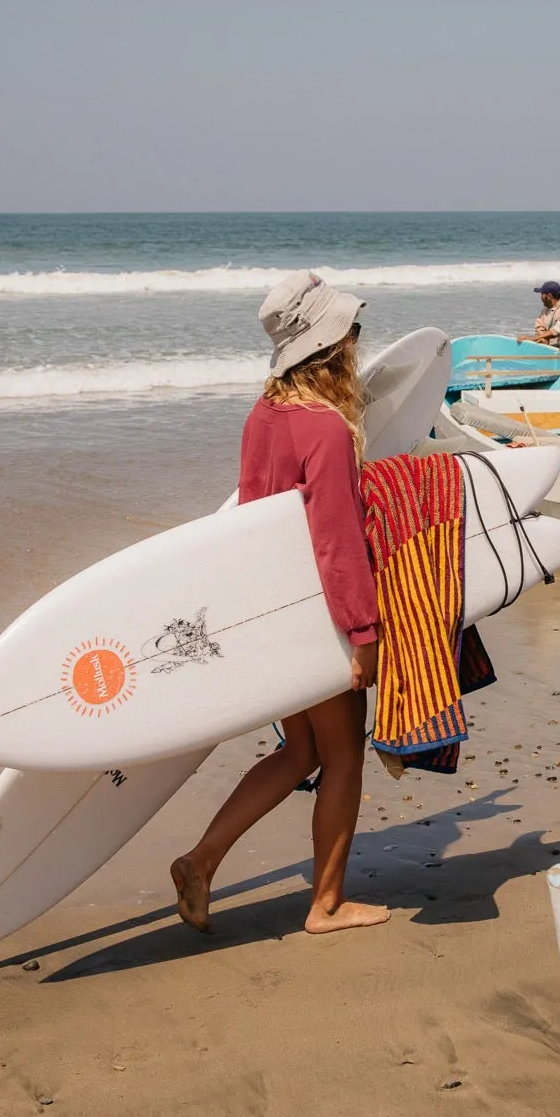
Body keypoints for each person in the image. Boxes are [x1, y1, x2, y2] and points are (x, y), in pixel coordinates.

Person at [171, 271, 388, 936]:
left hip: (272, 607)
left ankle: (201, 861)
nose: (356, 338)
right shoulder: (324, 428)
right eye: (350, 329)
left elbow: (251, 515)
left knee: (301, 753)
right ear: (330, 347)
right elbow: (336, 540)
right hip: (316, 614)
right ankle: (325, 903)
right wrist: (364, 631)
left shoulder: (263, 415)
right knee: (343, 753)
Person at [529, 279, 560, 345]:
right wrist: (542, 338)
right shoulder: (544, 310)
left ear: (549, 296)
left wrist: (534, 338)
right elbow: (539, 325)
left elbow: (557, 329)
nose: (541, 298)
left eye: (542, 294)